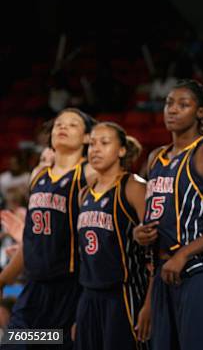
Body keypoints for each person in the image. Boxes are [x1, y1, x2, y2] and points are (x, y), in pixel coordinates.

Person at [133, 80, 203, 350]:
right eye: (169, 103)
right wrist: (140, 232)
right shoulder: (155, 158)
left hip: (202, 271)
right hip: (164, 275)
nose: (172, 110)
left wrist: (184, 253)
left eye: (183, 105)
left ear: (200, 113)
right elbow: (156, 218)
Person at [0, 108, 97, 349]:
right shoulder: (38, 175)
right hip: (34, 287)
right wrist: (2, 280)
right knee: (13, 342)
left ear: (87, 138)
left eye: (72, 125)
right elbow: (30, 242)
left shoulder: (90, 173)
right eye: (58, 124)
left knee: (52, 343)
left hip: (69, 288)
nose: (62, 128)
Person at [74, 122, 152, 349]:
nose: (95, 149)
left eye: (104, 143)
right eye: (92, 144)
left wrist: (149, 304)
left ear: (121, 150)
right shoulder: (84, 194)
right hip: (89, 295)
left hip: (124, 294)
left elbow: (156, 249)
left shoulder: (133, 187)